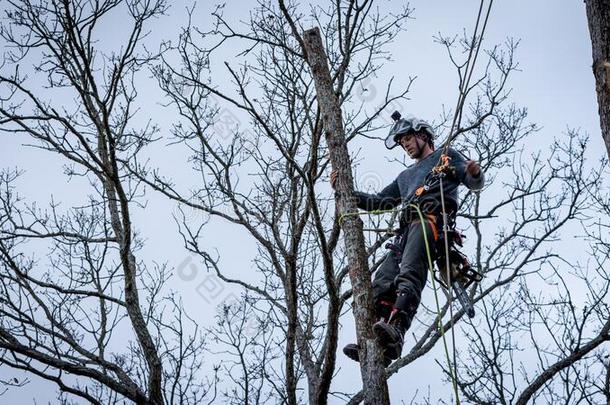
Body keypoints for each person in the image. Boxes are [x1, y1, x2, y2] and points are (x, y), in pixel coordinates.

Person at [331, 114, 484, 365]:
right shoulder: (405, 177)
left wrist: (473, 172)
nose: (406, 145)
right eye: (401, 143)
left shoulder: (446, 157)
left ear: (423, 135)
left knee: (410, 273)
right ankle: (376, 341)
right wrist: (345, 191)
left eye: (408, 139)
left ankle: (398, 329)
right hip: (404, 230)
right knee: (380, 283)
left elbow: (472, 181)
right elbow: (379, 202)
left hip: (430, 222)